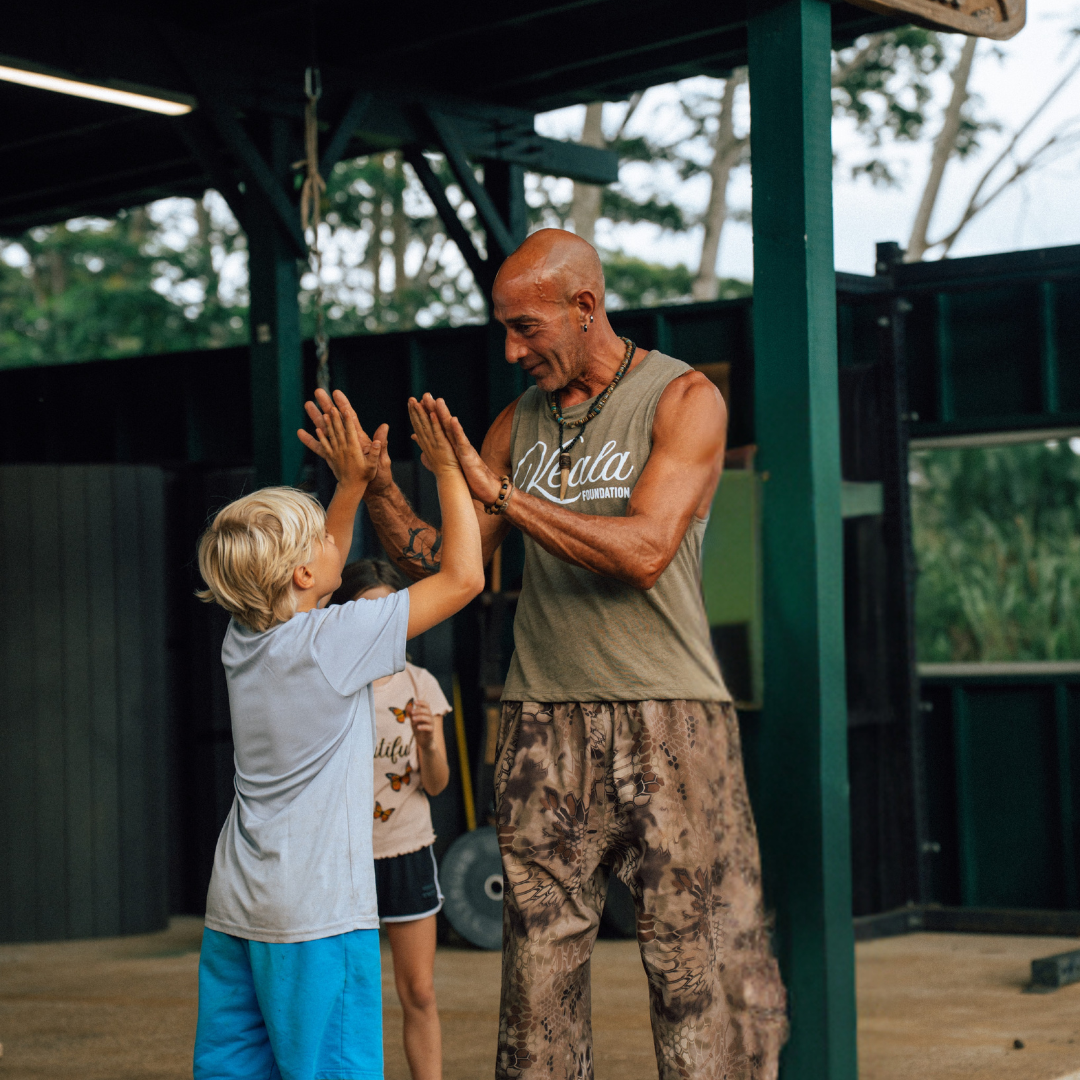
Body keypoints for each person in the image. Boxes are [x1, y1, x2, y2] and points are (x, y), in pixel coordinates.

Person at [303, 229, 787, 1080]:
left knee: (700, 966)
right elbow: (442, 560)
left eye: (526, 328)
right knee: (537, 978)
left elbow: (645, 552)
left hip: (669, 714)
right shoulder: (515, 422)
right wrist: (376, 487)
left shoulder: (682, 398)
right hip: (541, 719)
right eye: (503, 328)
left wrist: (504, 495)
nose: (511, 350)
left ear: (585, 307)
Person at [192, 395, 484, 1080]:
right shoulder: (333, 641)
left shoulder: (244, 636)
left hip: (238, 905)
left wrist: (350, 486)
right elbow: (465, 577)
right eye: (320, 540)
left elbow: (319, 574)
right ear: (302, 575)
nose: (335, 541)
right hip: (315, 914)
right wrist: (446, 470)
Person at [328, 559, 451, 1080]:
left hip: (405, 848)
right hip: (342, 857)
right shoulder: (331, 685)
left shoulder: (420, 685)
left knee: (418, 990)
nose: (376, 623)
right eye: (365, 611)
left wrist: (428, 742)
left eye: (387, 611)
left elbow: (437, 784)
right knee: (343, 995)